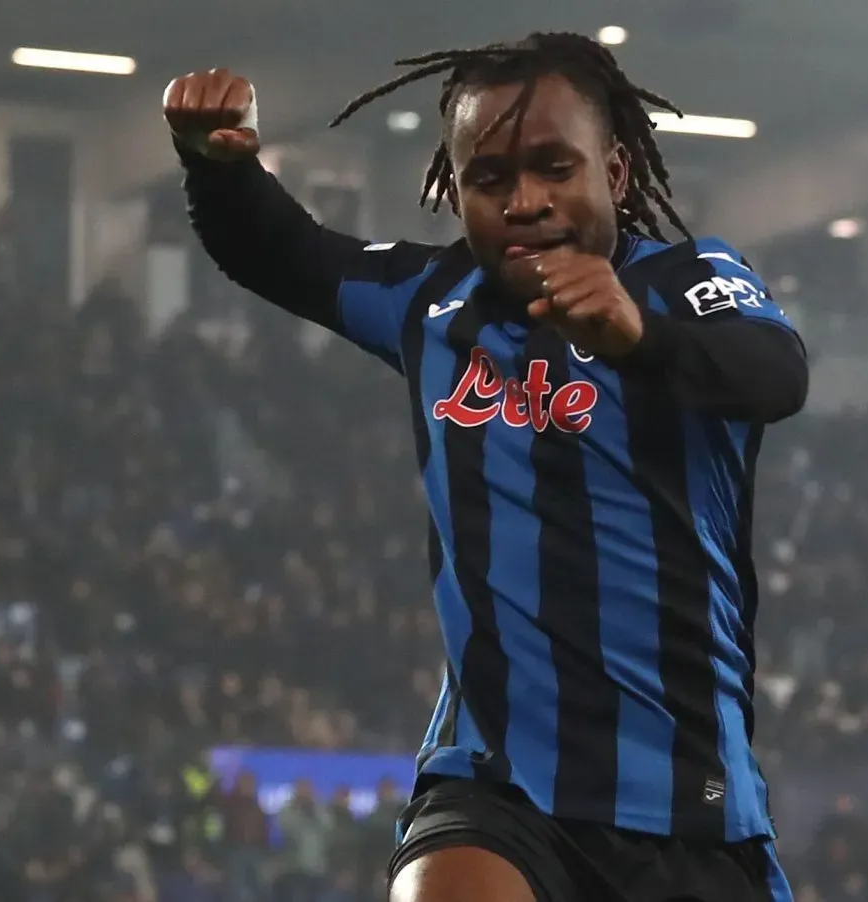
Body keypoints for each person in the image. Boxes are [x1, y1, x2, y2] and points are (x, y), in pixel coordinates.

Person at [164, 31, 807, 902]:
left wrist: (642, 339)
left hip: (685, 803)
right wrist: (218, 169)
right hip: (495, 783)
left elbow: (777, 373)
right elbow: (287, 252)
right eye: (491, 179)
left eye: (553, 167)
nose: (526, 201)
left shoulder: (690, 281)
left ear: (613, 174)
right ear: (455, 188)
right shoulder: (432, 302)